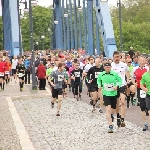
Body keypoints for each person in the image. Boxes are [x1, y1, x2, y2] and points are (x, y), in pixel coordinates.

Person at [97, 62, 122, 133]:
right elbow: (98, 80)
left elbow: (120, 81)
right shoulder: (101, 74)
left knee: (113, 109)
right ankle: (110, 126)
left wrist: (116, 86)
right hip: (106, 94)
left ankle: (111, 115)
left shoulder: (114, 74)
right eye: (106, 67)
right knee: (108, 109)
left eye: (109, 67)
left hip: (113, 94)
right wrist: (99, 85)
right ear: (104, 67)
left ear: (111, 67)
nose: (108, 68)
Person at [111, 51, 130, 127]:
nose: (117, 58)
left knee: (122, 102)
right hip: (114, 86)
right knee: (116, 103)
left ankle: (122, 119)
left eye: (118, 57)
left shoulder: (124, 65)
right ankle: (118, 116)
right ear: (113, 57)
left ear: (120, 57)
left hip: (122, 85)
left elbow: (128, 71)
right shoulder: (111, 65)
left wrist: (128, 79)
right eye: (115, 57)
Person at [140, 59, 150, 131]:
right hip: (148, 95)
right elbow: (141, 84)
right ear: (148, 65)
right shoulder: (145, 75)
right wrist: (144, 88)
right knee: (149, 111)